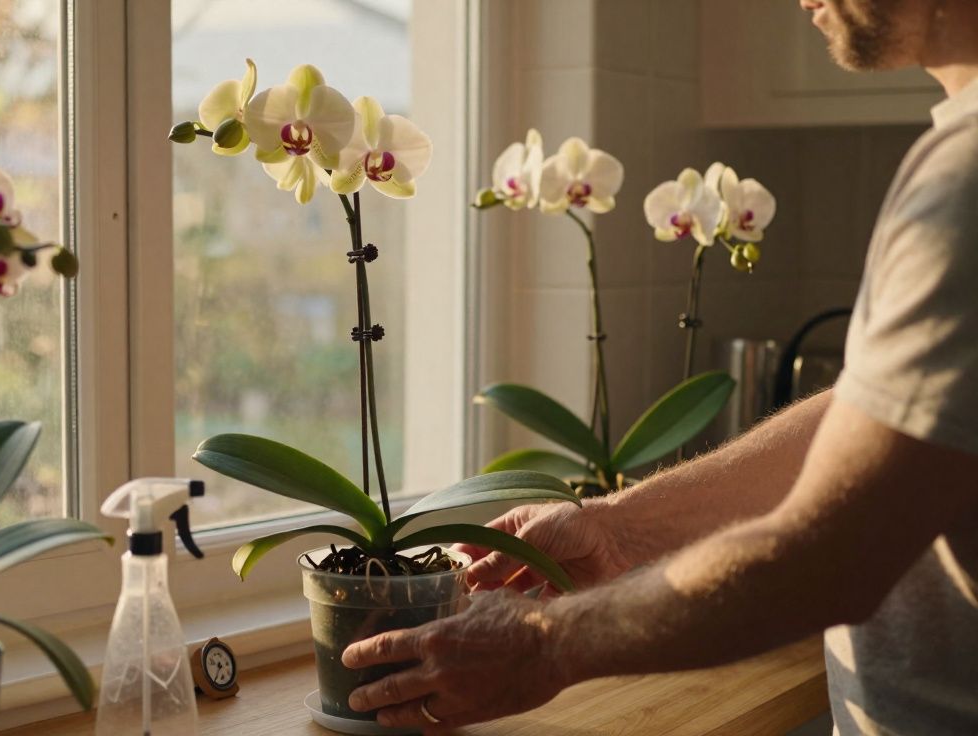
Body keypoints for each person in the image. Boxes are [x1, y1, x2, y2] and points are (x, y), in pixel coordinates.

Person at [341, 1, 978, 733]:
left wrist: (542, 645)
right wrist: (618, 528)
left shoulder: (965, 179)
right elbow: (872, 423)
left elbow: (832, 554)